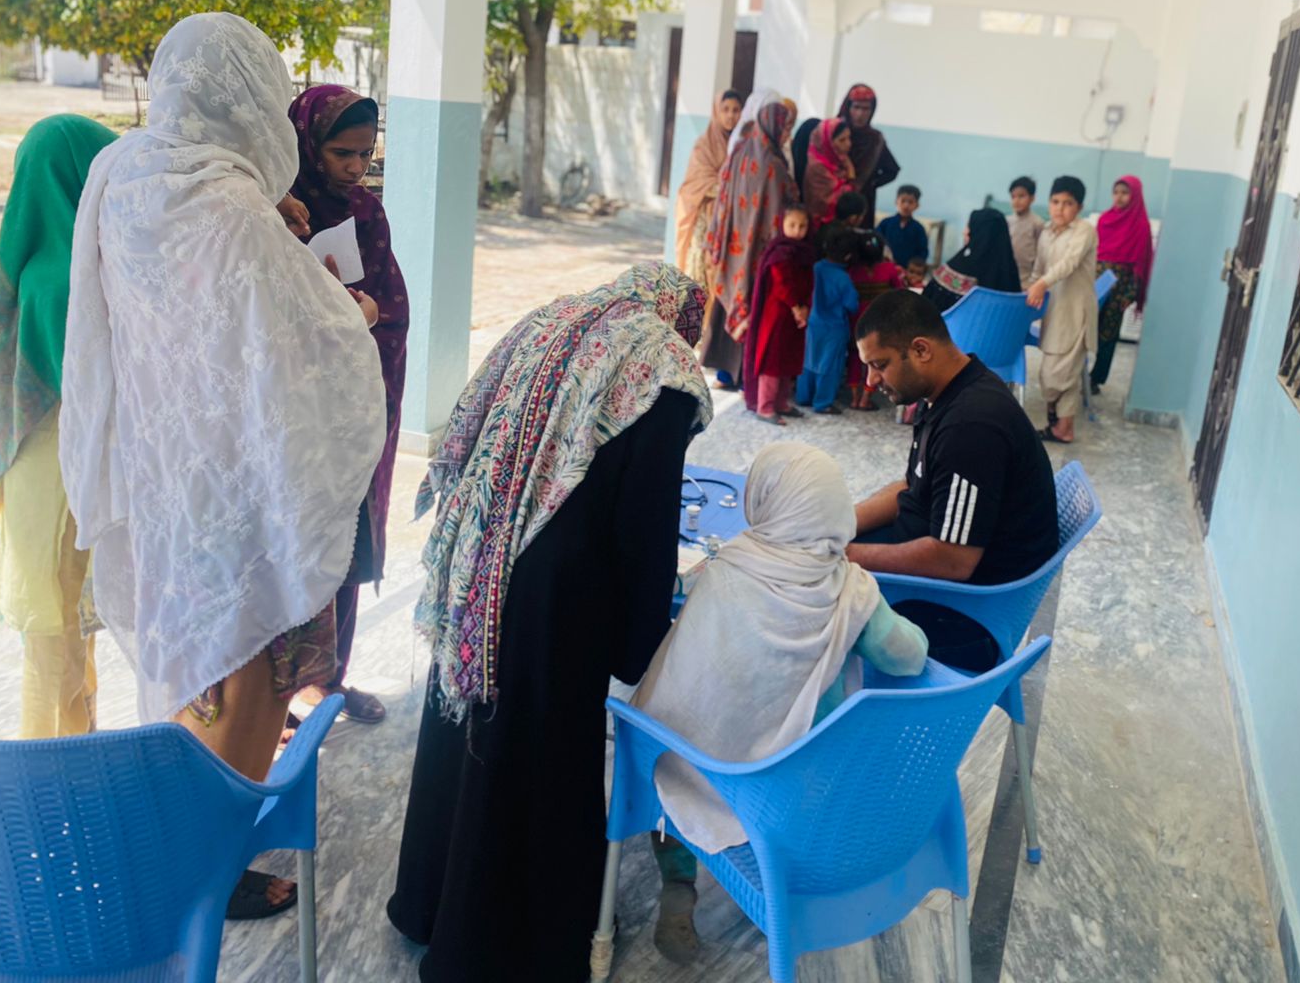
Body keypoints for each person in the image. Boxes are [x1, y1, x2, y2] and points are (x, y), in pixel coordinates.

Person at [60, 12, 386, 919]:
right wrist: (348, 312)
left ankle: (171, 831)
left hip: (165, 472)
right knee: (245, 667)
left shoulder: (122, 173)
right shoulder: (229, 209)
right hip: (238, 486)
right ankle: (206, 868)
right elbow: (306, 341)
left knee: (186, 660)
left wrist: (265, 220)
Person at [387, 263, 712, 983]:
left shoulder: (554, 318)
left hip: (483, 545)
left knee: (464, 727)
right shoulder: (662, 364)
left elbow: (471, 423)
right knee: (538, 749)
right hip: (558, 585)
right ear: (682, 316)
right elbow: (645, 521)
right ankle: (503, 946)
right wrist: (640, 641)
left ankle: (427, 904)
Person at [630, 442, 929, 964]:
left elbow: (687, 674)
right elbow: (907, 657)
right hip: (797, 785)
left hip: (706, 768)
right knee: (817, 752)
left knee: (675, 756)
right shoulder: (852, 592)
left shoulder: (726, 568)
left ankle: (678, 878)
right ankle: (784, 871)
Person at [0, 114, 117, 740]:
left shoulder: (33, 260)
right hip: (68, 472)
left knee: (55, 628)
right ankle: (54, 760)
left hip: (35, 467)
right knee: (61, 627)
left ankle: (65, 746)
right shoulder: (80, 268)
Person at [848, 290, 1059, 669]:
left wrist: (846, 558)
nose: (869, 381)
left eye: (879, 364)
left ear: (921, 350)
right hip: (935, 573)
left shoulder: (971, 426)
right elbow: (911, 487)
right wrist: (838, 525)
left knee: (803, 611)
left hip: (963, 614)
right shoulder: (950, 392)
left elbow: (953, 560)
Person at [284, 85, 407, 726]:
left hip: (356, 400)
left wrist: (368, 314)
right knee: (298, 542)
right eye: (342, 153)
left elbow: (393, 308)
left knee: (351, 537)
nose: (357, 168)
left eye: (366, 153)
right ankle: (278, 695)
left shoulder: (366, 211)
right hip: (297, 410)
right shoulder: (275, 209)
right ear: (307, 142)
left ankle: (330, 681)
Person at [700, 101, 797, 388]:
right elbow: (781, 209)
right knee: (752, 302)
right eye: (785, 126)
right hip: (757, 251)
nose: (787, 133)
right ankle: (743, 375)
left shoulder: (740, 150)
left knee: (728, 299)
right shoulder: (774, 164)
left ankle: (723, 373)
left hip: (733, 246)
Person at [1027, 176, 1099, 443]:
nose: (1060, 208)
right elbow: (1039, 269)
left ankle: (1060, 425)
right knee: (1061, 370)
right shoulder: (1047, 232)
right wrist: (1031, 288)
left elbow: (1069, 263)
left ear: (1078, 207)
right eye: (1055, 201)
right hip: (1054, 311)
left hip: (1075, 313)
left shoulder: (1084, 231)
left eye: (1068, 203)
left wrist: (1042, 283)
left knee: (1056, 374)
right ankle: (1062, 429)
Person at [742, 204, 815, 424]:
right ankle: (765, 407)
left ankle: (781, 403)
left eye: (802, 226)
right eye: (792, 225)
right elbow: (781, 283)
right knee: (772, 360)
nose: (797, 230)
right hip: (777, 315)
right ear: (782, 224)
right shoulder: (780, 251)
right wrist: (796, 307)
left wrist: (804, 309)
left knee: (789, 359)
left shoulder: (806, 251)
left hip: (796, 315)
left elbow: (809, 282)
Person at [1091, 174, 1154, 393]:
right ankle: (1075, 374)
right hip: (1095, 282)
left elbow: (1141, 264)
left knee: (1107, 334)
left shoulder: (1140, 226)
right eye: (1116, 192)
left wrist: (1130, 295)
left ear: (1135, 195)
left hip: (1121, 288)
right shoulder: (1105, 219)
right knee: (1085, 329)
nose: (1119, 197)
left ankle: (1095, 379)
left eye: (1125, 193)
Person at [674, 89, 744, 279]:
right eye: (726, 109)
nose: (731, 116)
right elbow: (696, 183)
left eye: (736, 110)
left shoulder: (742, 145)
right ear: (716, 111)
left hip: (728, 221)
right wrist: (729, 185)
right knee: (699, 273)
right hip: (704, 221)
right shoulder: (704, 145)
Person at [797, 227, 861, 415]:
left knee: (807, 361)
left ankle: (803, 397)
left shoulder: (815, 267)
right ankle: (823, 403)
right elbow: (852, 305)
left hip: (813, 323)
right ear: (848, 256)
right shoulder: (844, 278)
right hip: (834, 329)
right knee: (829, 366)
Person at [846, 231, 907, 411]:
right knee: (875, 363)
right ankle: (866, 397)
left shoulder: (852, 271)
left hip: (855, 323)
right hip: (880, 325)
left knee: (854, 359)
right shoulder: (888, 269)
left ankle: (854, 398)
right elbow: (899, 290)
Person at [923, 205, 1021, 314]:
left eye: (969, 227)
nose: (965, 232)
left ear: (979, 233)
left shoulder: (956, 270)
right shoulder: (1010, 273)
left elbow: (927, 306)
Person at [836, 84, 901, 226]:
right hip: (834, 200)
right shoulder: (833, 132)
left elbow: (892, 170)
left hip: (862, 202)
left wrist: (870, 184)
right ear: (848, 107)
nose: (860, 114)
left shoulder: (875, 139)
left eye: (866, 109)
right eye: (856, 107)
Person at [800, 116, 855, 225]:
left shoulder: (839, 162)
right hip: (819, 227)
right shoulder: (817, 167)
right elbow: (833, 201)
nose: (849, 144)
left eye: (849, 138)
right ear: (827, 141)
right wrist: (851, 174)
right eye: (842, 140)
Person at [877, 183, 930, 269]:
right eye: (903, 201)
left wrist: (913, 268)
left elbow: (923, 252)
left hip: (907, 271)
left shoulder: (919, 229)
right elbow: (876, 242)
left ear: (917, 205)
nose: (906, 205)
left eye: (910, 202)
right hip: (885, 267)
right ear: (896, 202)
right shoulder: (885, 224)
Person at [1006, 176, 1045, 290]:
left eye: (1021, 196)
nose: (1016, 201)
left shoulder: (1037, 223)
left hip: (1028, 279)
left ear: (1032, 198)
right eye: (1013, 197)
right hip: (1009, 275)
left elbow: (1041, 253)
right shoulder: (1007, 221)